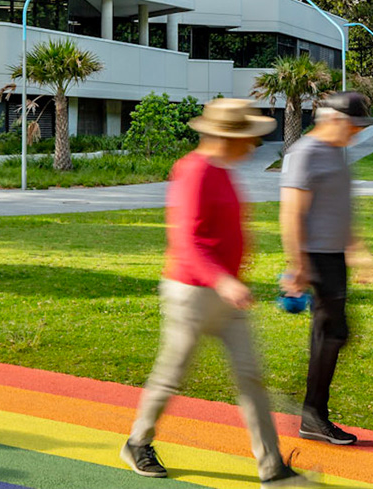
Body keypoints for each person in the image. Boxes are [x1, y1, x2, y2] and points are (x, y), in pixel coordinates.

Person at [122, 97, 308, 486]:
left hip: (226, 297)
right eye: (249, 138)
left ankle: (272, 467)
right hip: (191, 294)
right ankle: (137, 442)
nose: (255, 145)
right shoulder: (194, 171)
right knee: (172, 375)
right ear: (227, 138)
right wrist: (223, 280)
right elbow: (187, 240)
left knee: (250, 378)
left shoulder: (224, 171)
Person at [279, 90, 373, 446]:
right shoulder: (304, 153)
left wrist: (359, 252)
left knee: (334, 334)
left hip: (334, 256)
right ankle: (312, 415)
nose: (357, 133)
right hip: (316, 257)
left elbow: (340, 209)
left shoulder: (336, 152)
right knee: (332, 334)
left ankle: (313, 411)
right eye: (354, 126)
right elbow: (291, 213)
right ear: (335, 120)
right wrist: (298, 266)